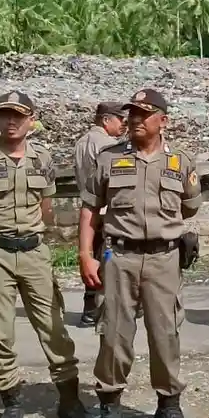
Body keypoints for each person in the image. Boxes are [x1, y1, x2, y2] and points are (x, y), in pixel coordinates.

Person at [0, 91, 93, 418]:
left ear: (31, 119)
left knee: (54, 328)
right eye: (4, 115)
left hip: (34, 254)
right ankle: (12, 403)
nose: (11, 122)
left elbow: (46, 206)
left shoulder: (42, 159)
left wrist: (31, 233)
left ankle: (70, 401)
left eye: (18, 116)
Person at [79, 88, 202, 418]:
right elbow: (90, 210)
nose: (133, 119)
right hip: (119, 257)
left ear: (162, 121)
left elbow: (190, 207)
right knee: (114, 334)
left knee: (166, 334)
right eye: (130, 113)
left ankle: (168, 406)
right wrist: (86, 254)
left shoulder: (180, 162)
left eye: (142, 114)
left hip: (165, 259)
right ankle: (110, 407)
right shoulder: (108, 158)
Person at [72, 101, 127, 327]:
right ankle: (105, 310)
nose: (124, 126)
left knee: (92, 259)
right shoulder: (109, 147)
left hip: (88, 209)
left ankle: (89, 309)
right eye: (120, 120)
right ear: (106, 120)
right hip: (106, 211)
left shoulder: (80, 143)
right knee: (110, 261)